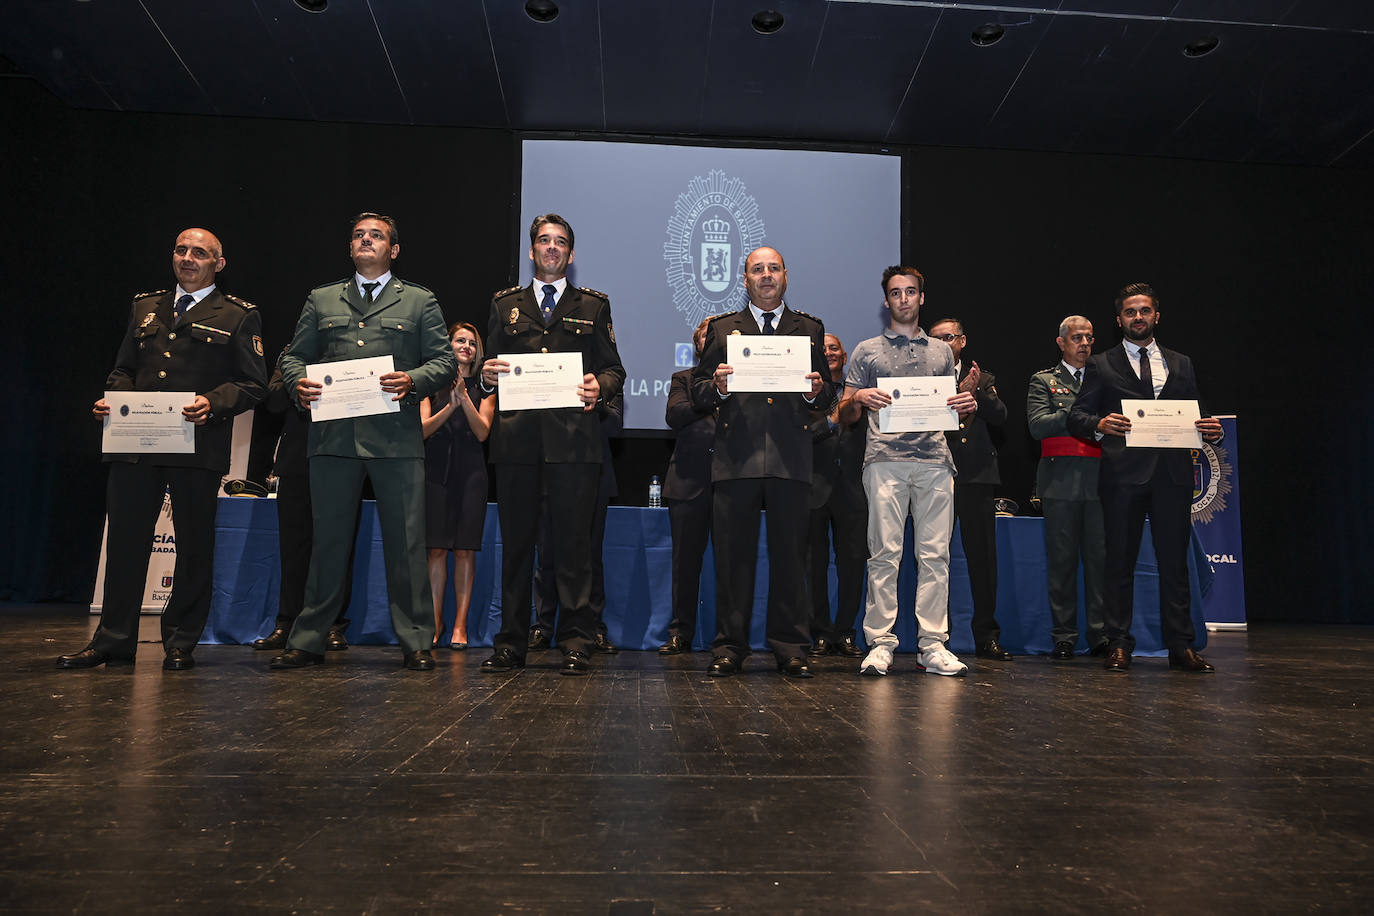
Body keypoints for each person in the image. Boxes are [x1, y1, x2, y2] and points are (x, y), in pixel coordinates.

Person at [59, 228, 267, 670]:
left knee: (192, 546)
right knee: (126, 542)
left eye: (200, 253)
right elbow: (123, 369)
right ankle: (113, 640)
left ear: (219, 264)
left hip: (197, 446)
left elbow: (253, 384)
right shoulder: (144, 307)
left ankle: (179, 642)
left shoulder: (238, 314)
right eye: (181, 250)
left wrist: (213, 402)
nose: (188, 258)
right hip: (135, 445)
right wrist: (112, 400)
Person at [273, 212, 457, 671]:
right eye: (358, 235)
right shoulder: (322, 299)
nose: (366, 241)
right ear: (350, 247)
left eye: (376, 236)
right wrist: (297, 383)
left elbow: (445, 363)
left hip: (395, 439)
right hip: (333, 438)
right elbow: (293, 357)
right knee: (327, 543)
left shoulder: (419, 301)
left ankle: (417, 641)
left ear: (393, 250)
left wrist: (412, 379)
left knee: (406, 544)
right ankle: (309, 637)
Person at [478, 213, 625, 676]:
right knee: (518, 547)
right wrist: (485, 376)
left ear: (571, 254)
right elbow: (490, 367)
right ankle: (511, 643)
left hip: (574, 447)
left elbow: (614, 370)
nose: (552, 248)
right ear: (531, 250)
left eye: (561, 242)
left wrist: (597, 386)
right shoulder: (505, 306)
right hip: (517, 445)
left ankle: (577, 639)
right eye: (544, 241)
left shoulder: (594, 306)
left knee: (573, 550)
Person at [691, 246, 831, 678]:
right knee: (734, 559)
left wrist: (814, 393)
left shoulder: (808, 328)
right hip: (736, 459)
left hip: (790, 459)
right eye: (757, 270)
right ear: (744, 278)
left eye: (773, 268)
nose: (766, 275)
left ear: (785, 276)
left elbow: (826, 395)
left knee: (791, 558)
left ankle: (790, 646)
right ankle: (730, 647)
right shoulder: (722, 330)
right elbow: (697, 392)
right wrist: (717, 387)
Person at [1068, 283, 1223, 673]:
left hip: (1172, 476)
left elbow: (1195, 415)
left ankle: (1181, 647)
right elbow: (1078, 416)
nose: (1138, 317)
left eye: (1145, 311)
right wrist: (1099, 424)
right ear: (1119, 319)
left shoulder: (1181, 363)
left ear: (1157, 315)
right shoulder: (1100, 364)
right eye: (1131, 312)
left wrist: (1209, 427)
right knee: (1119, 563)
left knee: (1175, 564)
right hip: (1122, 477)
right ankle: (1118, 643)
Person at [836, 266, 977, 677]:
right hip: (884, 460)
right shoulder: (866, 351)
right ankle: (880, 643)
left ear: (921, 298)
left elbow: (951, 413)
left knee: (935, 556)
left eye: (910, 292)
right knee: (884, 555)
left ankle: (932, 645)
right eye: (896, 293)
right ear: (886, 301)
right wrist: (858, 396)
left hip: (935, 460)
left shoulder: (941, 352)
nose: (903, 299)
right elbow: (843, 413)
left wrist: (966, 407)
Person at [252, 352, 357, 653]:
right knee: (294, 547)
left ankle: (334, 625)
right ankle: (287, 622)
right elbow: (271, 400)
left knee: (339, 546)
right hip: (297, 460)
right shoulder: (291, 353)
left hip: (344, 457)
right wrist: (297, 381)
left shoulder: (352, 342)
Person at [927, 318, 1012, 661]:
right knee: (934, 560)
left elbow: (1001, 416)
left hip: (976, 478)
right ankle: (934, 639)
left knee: (982, 561)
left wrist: (975, 396)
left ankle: (986, 637)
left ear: (962, 341)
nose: (944, 343)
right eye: (936, 339)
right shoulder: (920, 380)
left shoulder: (984, 378)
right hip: (933, 476)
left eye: (949, 337)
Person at [1026, 316, 1107, 659]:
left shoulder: (1107, 379)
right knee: (1062, 564)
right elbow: (1038, 426)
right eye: (1077, 337)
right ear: (1061, 343)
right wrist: (1082, 414)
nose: (1085, 343)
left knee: (1101, 563)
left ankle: (1102, 634)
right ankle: (1064, 635)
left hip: (1103, 482)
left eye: (1089, 337)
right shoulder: (1043, 380)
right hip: (1060, 483)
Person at [528, 391, 624, 654]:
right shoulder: (552, 375)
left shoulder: (605, 381)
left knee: (590, 556)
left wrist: (593, 402)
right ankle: (543, 626)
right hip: (550, 472)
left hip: (595, 476)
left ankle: (594, 627)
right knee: (546, 552)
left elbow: (614, 425)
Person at [421, 322, 495, 650]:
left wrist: (464, 398)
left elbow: (483, 432)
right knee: (436, 549)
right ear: (448, 345)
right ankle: (436, 622)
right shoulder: (429, 383)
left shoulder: (487, 386)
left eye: (472, 343)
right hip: (435, 471)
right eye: (459, 340)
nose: (466, 346)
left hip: (472, 474)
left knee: (465, 550)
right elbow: (422, 430)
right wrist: (449, 404)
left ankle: (460, 626)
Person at [805, 334, 867, 659]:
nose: (829, 352)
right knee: (814, 566)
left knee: (853, 564)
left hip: (855, 490)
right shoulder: (806, 394)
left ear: (844, 357)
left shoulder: (862, 394)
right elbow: (801, 437)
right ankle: (820, 633)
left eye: (835, 349)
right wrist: (832, 420)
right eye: (824, 348)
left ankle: (845, 633)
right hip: (813, 488)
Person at [659, 319, 716, 655]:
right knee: (684, 566)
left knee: (732, 564)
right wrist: (712, 395)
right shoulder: (683, 379)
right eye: (705, 335)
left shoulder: (743, 381)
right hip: (687, 483)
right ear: (696, 344)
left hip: (730, 482)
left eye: (716, 335)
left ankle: (729, 635)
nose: (710, 339)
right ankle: (681, 633)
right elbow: (675, 414)